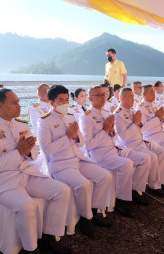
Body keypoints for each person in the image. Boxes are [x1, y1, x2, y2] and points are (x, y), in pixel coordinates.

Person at [0, 88, 73, 254]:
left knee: (62, 190)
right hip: (3, 182)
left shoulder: (21, 124)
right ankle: (30, 249)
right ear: (0, 105)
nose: (19, 106)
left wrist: (27, 151)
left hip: (26, 174)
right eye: (14, 103)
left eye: (19, 102)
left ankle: (48, 238)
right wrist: (18, 152)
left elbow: (34, 154)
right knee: (26, 205)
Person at [37, 85, 112, 237]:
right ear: (52, 103)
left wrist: (75, 136)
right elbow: (47, 149)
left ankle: (93, 210)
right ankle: (85, 220)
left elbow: (82, 141)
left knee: (105, 176)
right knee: (83, 184)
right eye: (60, 100)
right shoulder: (44, 121)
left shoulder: (71, 116)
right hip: (61, 165)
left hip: (77, 159)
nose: (65, 103)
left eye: (66, 99)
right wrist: (67, 137)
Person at [79, 86, 150, 217]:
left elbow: (115, 137)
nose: (102, 97)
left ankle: (134, 190)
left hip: (113, 149)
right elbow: (88, 145)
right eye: (98, 95)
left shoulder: (106, 113)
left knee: (144, 159)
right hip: (99, 154)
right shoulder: (86, 117)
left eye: (103, 94)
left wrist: (111, 132)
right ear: (90, 98)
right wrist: (105, 130)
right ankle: (122, 201)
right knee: (126, 164)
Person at [114, 88, 164, 198]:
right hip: (129, 146)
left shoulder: (132, 111)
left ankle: (158, 184)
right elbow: (124, 136)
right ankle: (137, 189)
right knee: (151, 157)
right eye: (130, 97)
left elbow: (141, 128)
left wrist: (138, 124)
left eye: (133, 97)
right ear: (122, 98)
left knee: (162, 151)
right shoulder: (117, 114)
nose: (133, 99)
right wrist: (135, 123)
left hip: (140, 142)